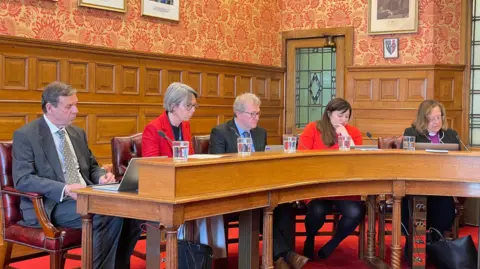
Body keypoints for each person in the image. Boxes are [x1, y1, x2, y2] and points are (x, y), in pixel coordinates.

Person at [12, 81, 142, 269]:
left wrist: (100, 177)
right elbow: (23, 179)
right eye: (69, 106)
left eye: (76, 104)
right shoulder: (26, 135)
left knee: (134, 211)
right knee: (107, 213)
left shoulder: (77, 133)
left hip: (87, 194)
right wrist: (65, 189)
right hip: (52, 204)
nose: (76, 110)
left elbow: (92, 166)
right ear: (50, 107)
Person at [209, 93, 309, 269]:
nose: (256, 118)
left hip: (259, 187)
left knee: (283, 204)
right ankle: (286, 255)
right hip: (233, 190)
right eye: (252, 114)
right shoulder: (221, 132)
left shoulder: (260, 133)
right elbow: (217, 167)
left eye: (258, 114)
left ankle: (278, 259)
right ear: (238, 113)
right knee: (262, 207)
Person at [142, 82, 228, 259]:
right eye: (188, 106)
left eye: (194, 106)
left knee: (213, 201)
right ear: (173, 106)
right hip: (163, 188)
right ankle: (185, 255)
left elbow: (190, 158)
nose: (193, 110)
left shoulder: (185, 126)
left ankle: (206, 255)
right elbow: (151, 167)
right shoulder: (154, 128)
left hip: (185, 183)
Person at [299, 97, 365, 259]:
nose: (343, 120)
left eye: (347, 116)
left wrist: (346, 137)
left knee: (356, 211)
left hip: (344, 187)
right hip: (318, 186)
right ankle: (310, 237)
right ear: (329, 113)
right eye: (340, 115)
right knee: (317, 211)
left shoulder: (353, 132)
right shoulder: (313, 128)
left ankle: (333, 242)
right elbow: (301, 156)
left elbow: (359, 160)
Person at [402, 100, 458, 252]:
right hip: (417, 187)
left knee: (445, 206)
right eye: (432, 118)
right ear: (423, 119)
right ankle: (413, 243)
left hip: (441, 187)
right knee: (413, 203)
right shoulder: (411, 133)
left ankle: (435, 242)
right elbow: (405, 160)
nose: (436, 122)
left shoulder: (451, 135)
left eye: (439, 117)